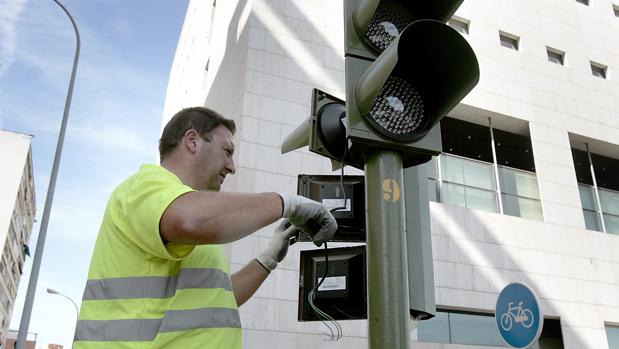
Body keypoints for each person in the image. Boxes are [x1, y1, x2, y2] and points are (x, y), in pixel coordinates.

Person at [73, 107, 337, 349]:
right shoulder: (145, 186)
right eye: (227, 151)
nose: (232, 167)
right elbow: (190, 220)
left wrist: (269, 257)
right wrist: (288, 203)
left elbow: (219, 301)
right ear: (193, 141)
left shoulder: (181, 218)